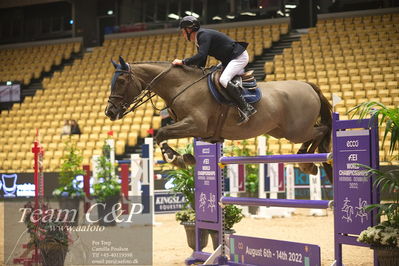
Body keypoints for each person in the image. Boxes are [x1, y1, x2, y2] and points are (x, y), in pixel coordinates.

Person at [172, 16, 257, 125]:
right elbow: (202, 61)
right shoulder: (199, 38)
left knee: (223, 80)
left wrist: (183, 62)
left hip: (238, 57)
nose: (183, 34)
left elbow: (201, 55)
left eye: (183, 31)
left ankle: (246, 107)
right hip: (228, 59)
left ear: (189, 30)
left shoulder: (203, 35)